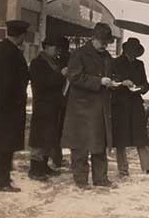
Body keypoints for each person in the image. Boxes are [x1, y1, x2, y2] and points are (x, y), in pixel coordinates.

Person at [60, 23, 116, 189]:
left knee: (99, 144)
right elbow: (74, 76)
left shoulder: (106, 56)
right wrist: (99, 81)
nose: (105, 45)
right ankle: (81, 180)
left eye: (107, 42)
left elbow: (109, 74)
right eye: (102, 42)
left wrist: (113, 82)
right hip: (81, 108)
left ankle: (101, 178)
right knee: (80, 146)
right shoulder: (79, 54)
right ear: (94, 38)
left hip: (100, 108)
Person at [0, 19, 30, 192]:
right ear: (20, 35)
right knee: (3, 145)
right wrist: (4, 104)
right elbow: (3, 82)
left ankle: (3, 178)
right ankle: (0, 181)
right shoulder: (8, 52)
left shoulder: (3, 49)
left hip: (6, 106)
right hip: (6, 107)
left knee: (5, 144)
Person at [111, 37, 149, 177]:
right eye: (132, 51)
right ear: (126, 50)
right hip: (120, 104)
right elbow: (111, 82)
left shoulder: (140, 64)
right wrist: (122, 83)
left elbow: (145, 83)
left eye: (136, 52)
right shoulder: (116, 62)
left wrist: (142, 88)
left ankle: (148, 166)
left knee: (141, 136)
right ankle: (123, 169)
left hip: (136, 103)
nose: (134, 54)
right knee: (120, 138)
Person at [27, 36, 68, 181]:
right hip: (42, 106)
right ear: (47, 47)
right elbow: (44, 83)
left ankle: (43, 166)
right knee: (39, 138)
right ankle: (35, 170)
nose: (58, 51)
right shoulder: (37, 63)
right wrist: (60, 75)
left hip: (52, 105)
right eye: (55, 48)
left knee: (48, 137)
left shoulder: (52, 62)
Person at [50, 36, 70, 168]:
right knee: (59, 129)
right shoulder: (68, 59)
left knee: (56, 129)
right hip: (64, 98)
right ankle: (57, 158)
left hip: (59, 97)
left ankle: (56, 158)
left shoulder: (58, 60)